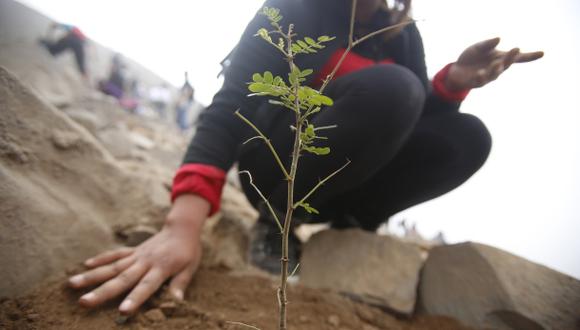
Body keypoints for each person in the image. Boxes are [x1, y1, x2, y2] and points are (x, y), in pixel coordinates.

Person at [67, 0, 543, 315]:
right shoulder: (296, 7)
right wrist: (182, 225)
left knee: (469, 137)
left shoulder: (403, 35)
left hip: (347, 177)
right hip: (275, 161)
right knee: (396, 87)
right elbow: (230, 106)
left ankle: (356, 221)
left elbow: (415, 121)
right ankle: (276, 218)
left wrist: (455, 81)